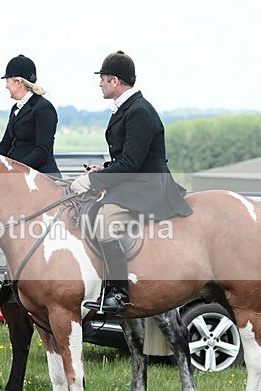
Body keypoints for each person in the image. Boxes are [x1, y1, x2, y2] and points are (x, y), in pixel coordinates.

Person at [70, 50, 192, 316]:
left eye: (102, 79)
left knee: (105, 222)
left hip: (148, 187)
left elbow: (131, 164)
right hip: (134, 180)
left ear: (115, 81)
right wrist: (103, 170)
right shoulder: (128, 108)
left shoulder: (139, 111)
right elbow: (126, 159)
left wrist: (92, 180)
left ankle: (119, 293)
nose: (99, 84)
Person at [0, 55, 60, 177]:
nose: (6, 86)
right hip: (16, 174)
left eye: (7, 81)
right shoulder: (16, 108)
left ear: (18, 82)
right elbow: (5, 144)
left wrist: (16, 170)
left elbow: (41, 151)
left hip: (38, 176)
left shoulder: (44, 109)